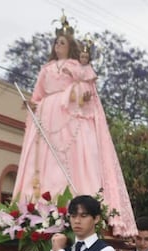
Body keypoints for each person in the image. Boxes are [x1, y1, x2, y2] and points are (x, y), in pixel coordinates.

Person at [11, 16, 135, 237]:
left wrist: (82, 88)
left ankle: (82, 201)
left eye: (62, 43)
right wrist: (32, 103)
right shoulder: (46, 69)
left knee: (79, 159)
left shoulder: (76, 66)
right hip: (47, 114)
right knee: (44, 163)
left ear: (70, 47)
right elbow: (38, 94)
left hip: (70, 114)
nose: (58, 46)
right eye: (56, 43)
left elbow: (87, 86)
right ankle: (40, 207)